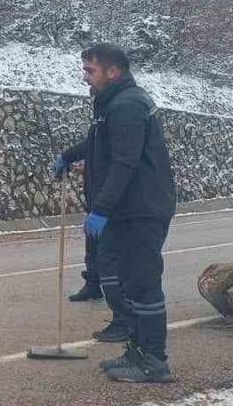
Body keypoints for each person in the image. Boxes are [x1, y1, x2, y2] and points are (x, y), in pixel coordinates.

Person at [50, 43, 176, 383]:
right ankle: (137, 350)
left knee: (143, 282)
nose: (85, 77)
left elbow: (125, 161)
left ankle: (153, 361)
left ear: (112, 71)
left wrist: (101, 208)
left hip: (142, 209)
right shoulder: (112, 102)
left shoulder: (127, 105)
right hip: (127, 210)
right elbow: (97, 143)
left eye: (90, 71)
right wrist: (68, 156)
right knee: (129, 282)